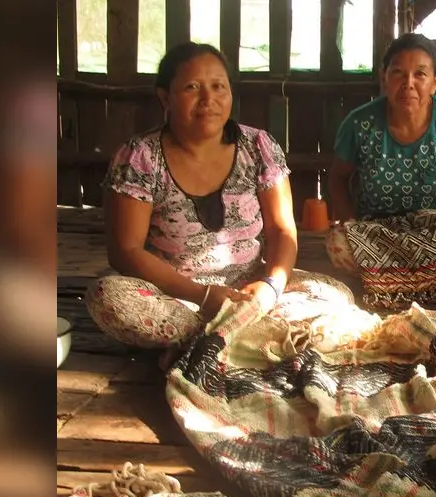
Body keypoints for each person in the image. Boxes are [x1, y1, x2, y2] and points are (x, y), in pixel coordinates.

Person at [85, 42, 298, 353]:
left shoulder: (259, 146)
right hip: (174, 298)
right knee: (108, 297)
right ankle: (235, 339)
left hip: (249, 292)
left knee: (332, 294)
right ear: (165, 97)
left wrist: (270, 287)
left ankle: (207, 342)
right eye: (192, 87)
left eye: (218, 87)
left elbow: (283, 230)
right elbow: (125, 251)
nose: (207, 99)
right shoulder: (140, 157)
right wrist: (204, 296)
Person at [324, 33, 436, 309]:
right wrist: (349, 222)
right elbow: (337, 177)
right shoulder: (360, 124)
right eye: (398, 73)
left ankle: (391, 288)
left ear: (435, 83)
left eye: (420, 74)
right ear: (385, 77)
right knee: (338, 242)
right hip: (379, 231)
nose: (408, 84)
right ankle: (434, 288)